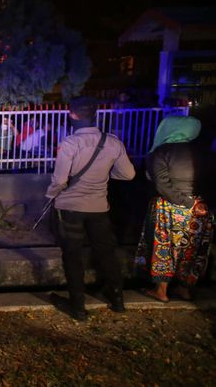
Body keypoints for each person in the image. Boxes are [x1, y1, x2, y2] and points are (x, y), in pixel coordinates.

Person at [45, 97, 135, 321]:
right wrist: (104, 177)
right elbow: (129, 174)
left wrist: (50, 195)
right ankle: (117, 300)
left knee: (73, 255)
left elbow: (60, 179)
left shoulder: (70, 143)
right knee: (106, 252)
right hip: (99, 207)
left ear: (72, 114)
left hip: (70, 208)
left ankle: (77, 306)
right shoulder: (113, 142)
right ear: (94, 113)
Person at [135, 116, 214, 302]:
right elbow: (210, 180)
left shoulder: (161, 152)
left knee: (164, 247)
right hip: (199, 209)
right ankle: (184, 288)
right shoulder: (203, 152)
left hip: (168, 207)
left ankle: (161, 290)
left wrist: (183, 202)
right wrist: (196, 202)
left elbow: (161, 184)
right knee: (192, 248)